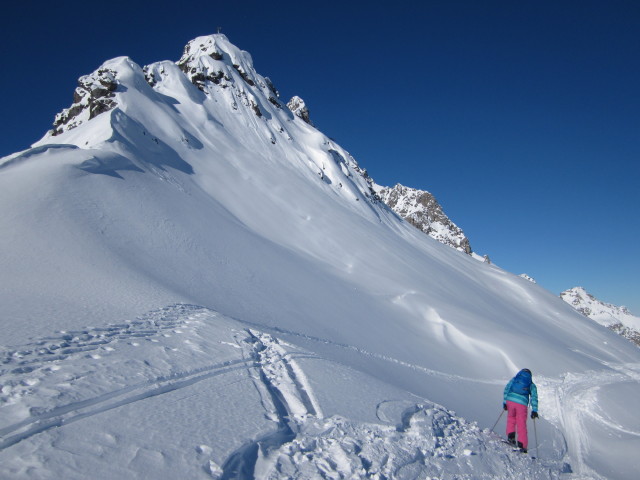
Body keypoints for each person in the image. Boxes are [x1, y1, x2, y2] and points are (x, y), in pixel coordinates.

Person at [503, 368, 538, 453]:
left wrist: (505, 402)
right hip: (522, 404)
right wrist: (534, 410)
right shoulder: (531, 384)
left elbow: (507, 388)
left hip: (510, 400)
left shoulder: (515, 379)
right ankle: (522, 445)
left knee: (511, 418)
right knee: (521, 423)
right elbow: (534, 397)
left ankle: (511, 437)